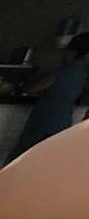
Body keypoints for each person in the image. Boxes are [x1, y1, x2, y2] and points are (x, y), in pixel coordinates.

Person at [8, 31, 89, 162]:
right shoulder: (82, 74)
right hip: (62, 122)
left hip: (44, 121)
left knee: (24, 159)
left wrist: (31, 78)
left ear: (73, 52)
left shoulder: (64, 71)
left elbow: (30, 88)